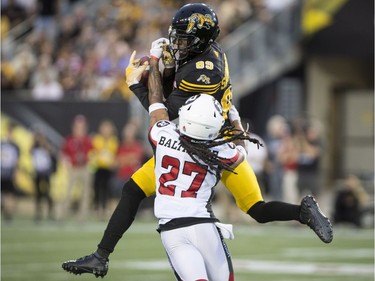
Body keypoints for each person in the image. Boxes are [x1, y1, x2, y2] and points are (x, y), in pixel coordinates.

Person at [62, 3, 333, 277]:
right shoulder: (204, 54)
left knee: (247, 207)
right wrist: (165, 71)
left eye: (183, 39)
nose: (177, 44)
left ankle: (103, 256)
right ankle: (303, 212)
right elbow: (171, 101)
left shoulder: (203, 73)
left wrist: (140, 80)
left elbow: (162, 112)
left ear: (200, 40)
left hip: (209, 145)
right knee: (254, 208)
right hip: (210, 139)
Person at [58, 114, 93, 222]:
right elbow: (62, 153)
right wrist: (65, 162)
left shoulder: (87, 140)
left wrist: (90, 161)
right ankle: (62, 214)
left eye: (82, 127)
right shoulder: (69, 140)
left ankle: (82, 216)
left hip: (84, 168)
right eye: (78, 126)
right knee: (68, 191)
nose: (80, 129)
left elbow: (93, 153)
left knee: (86, 193)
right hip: (73, 168)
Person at [91, 119, 118, 220]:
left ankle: (106, 210)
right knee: (98, 189)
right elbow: (93, 152)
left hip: (109, 169)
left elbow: (115, 154)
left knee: (108, 189)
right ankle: (98, 209)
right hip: (99, 168)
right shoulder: (96, 139)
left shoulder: (114, 140)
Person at [30, 127, 57, 222]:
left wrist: (46, 146)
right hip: (38, 173)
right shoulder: (35, 147)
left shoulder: (47, 146)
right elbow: (31, 154)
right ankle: (38, 214)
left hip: (46, 173)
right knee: (38, 194)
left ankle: (51, 213)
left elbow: (53, 156)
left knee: (48, 193)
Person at [1, 122, 20, 222]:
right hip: (1, 171)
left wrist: (15, 173)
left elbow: (16, 161)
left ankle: (8, 215)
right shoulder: (2, 143)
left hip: (9, 172)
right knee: (3, 195)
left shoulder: (15, 146)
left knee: (9, 194)